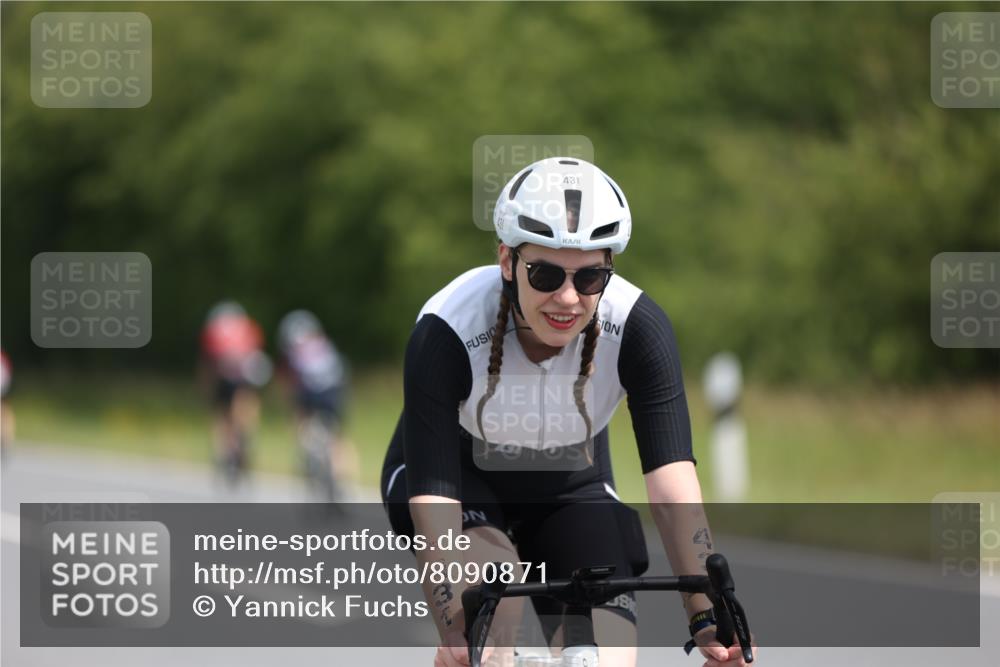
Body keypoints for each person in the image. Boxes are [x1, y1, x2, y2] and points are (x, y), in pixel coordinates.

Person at [381, 157, 756, 667]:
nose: (567, 297)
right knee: (494, 611)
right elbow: (436, 502)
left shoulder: (639, 328)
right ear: (508, 262)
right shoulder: (447, 329)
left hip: (568, 481)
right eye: (546, 273)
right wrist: (454, 628)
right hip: (459, 477)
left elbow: (672, 486)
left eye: (589, 277)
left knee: (608, 659)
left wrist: (705, 613)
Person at [277, 309, 357, 499]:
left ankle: (308, 459)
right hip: (334, 391)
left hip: (309, 392)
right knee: (338, 438)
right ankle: (344, 481)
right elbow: (341, 371)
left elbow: (291, 382)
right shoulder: (324, 343)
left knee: (302, 423)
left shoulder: (293, 348)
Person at [199, 301, 272, 484]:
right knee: (248, 400)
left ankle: (223, 451)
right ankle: (247, 433)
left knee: (221, 414)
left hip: (225, 374)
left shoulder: (213, 330)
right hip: (248, 373)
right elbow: (257, 354)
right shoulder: (249, 327)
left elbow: (208, 363)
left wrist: (205, 387)